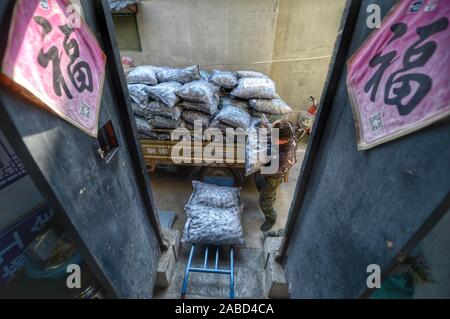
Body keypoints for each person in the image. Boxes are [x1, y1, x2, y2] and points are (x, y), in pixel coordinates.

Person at [254, 120, 302, 231]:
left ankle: (271, 217)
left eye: (274, 138)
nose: (272, 138)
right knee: (258, 181)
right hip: (273, 162)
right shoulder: (287, 129)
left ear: (283, 140)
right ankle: (268, 194)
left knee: (265, 200)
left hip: (274, 176)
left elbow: (276, 172)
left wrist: (260, 168)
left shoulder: (287, 157)